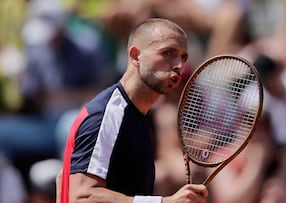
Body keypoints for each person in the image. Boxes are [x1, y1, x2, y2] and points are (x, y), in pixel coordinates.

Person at [57, 18, 208, 203]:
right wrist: (164, 202)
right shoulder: (108, 113)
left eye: (183, 57)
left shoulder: (142, 116)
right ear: (136, 55)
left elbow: (62, 179)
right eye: (168, 53)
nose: (178, 65)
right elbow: (82, 196)